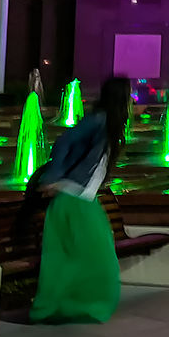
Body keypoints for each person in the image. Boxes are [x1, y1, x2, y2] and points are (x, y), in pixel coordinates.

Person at [26, 75, 133, 323]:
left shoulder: (108, 124)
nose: (131, 101)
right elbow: (64, 141)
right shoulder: (99, 119)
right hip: (71, 197)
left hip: (84, 199)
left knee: (96, 259)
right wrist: (53, 177)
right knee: (90, 259)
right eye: (128, 95)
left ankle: (76, 305)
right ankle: (58, 306)